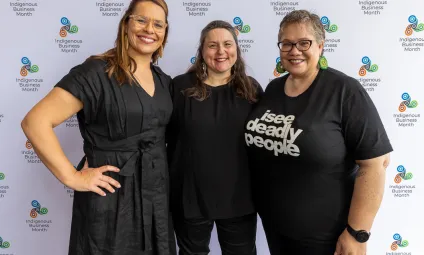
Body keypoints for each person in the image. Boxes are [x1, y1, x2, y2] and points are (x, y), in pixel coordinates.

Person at [21, 0, 176, 254]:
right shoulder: (96, 72)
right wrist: (72, 177)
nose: (150, 29)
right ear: (126, 24)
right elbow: (35, 121)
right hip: (110, 197)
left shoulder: (164, 81)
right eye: (141, 20)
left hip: (155, 196)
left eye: (158, 24)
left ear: (164, 33)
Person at [245, 10, 393, 255]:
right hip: (276, 229)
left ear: (321, 46)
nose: (295, 50)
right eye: (287, 43)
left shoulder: (344, 91)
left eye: (304, 43)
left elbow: (374, 164)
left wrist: (357, 234)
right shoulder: (273, 88)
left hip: (326, 237)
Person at [167, 20, 262, 255]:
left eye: (228, 44)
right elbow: (158, 135)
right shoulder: (179, 87)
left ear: (237, 50)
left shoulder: (252, 90)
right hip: (190, 198)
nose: (221, 52)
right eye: (212, 45)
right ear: (201, 51)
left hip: (239, 199)